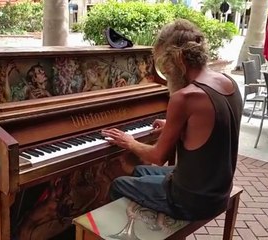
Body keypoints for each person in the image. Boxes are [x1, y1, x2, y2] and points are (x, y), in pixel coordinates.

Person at [101, 19, 243, 221]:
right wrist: (174, 126)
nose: (166, 73)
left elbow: (158, 156)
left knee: (118, 184)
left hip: (191, 200)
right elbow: (216, 126)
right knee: (140, 170)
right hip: (218, 191)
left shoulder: (185, 97)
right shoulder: (229, 83)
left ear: (177, 59)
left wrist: (129, 142)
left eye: (164, 65)